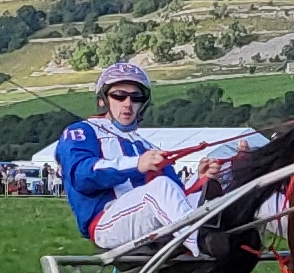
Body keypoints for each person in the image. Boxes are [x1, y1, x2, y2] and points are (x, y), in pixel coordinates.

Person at [54, 61, 215, 252]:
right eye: (119, 96)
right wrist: (137, 164)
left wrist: (199, 179)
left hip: (144, 217)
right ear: (102, 100)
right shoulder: (80, 131)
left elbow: (176, 196)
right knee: (160, 186)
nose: (127, 104)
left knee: (211, 197)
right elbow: (81, 176)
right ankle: (200, 242)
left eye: (135, 98)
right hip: (104, 223)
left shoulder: (147, 146)